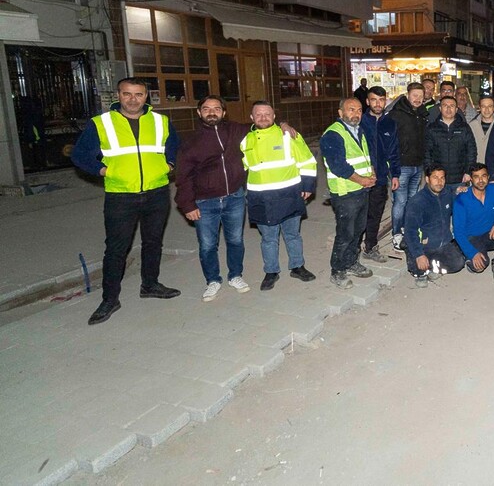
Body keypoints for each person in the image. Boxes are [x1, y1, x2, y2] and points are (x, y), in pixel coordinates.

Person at [72, 77, 181, 325]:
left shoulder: (160, 121)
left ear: (146, 97)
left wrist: (169, 164)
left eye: (139, 94)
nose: (133, 99)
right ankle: (110, 299)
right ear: (118, 96)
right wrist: (103, 171)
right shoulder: (101, 123)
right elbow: (79, 155)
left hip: (156, 192)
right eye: (127, 94)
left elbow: (174, 145)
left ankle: (150, 284)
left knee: (153, 242)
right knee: (116, 249)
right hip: (120, 195)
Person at [175, 95, 253, 302]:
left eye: (217, 108)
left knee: (236, 240)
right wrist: (187, 204)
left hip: (234, 198)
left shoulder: (235, 130)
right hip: (205, 203)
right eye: (207, 108)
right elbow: (182, 177)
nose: (212, 112)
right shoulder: (191, 143)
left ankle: (235, 276)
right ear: (199, 113)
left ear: (224, 112)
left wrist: (282, 124)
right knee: (208, 245)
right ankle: (213, 280)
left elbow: (261, 123)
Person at [241, 101, 317, 291]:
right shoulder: (245, 140)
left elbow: (307, 160)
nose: (263, 117)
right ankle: (271, 272)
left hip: (289, 194)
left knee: (293, 235)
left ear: (274, 116)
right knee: (268, 239)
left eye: (267, 114)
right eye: (258, 114)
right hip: (261, 198)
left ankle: (297, 267)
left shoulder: (288, 135)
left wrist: (308, 186)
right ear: (252, 118)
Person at [454, 163, 494, 281]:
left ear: (488, 177)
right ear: (471, 179)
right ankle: (468, 257)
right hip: (472, 237)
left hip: (491, 233)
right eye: (476, 177)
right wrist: (472, 253)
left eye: (483, 176)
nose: (480, 180)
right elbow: (458, 232)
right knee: (479, 266)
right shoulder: (462, 199)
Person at [404, 165, 465, 287]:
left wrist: (460, 191)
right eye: (435, 178)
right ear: (427, 179)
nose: (439, 182)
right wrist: (418, 254)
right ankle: (418, 266)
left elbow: (458, 196)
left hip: (443, 244)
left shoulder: (447, 193)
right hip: (423, 246)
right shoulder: (417, 202)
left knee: (458, 264)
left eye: (442, 178)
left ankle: (431, 267)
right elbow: (410, 231)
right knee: (418, 267)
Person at [359, 86, 401, 264]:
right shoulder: (359, 121)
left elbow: (394, 151)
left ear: (386, 101)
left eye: (381, 100)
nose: (378, 103)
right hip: (359, 178)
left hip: (381, 178)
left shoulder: (390, 124)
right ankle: (353, 251)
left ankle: (370, 247)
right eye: (374, 100)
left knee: (375, 214)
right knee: (358, 215)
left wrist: (395, 175)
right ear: (367, 101)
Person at [388, 82, 429, 251]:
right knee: (400, 201)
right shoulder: (396, 114)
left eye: (421, 96)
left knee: (412, 201)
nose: (418, 99)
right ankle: (396, 233)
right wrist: (394, 170)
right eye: (415, 95)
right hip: (402, 166)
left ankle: (407, 229)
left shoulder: (422, 114)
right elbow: (389, 142)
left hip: (417, 166)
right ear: (407, 95)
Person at [424, 95, 476, 196]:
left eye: (452, 106)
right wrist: (429, 173)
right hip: (439, 179)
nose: (448, 109)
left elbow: (471, 151)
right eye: (445, 106)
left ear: (456, 109)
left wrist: (468, 172)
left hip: (460, 178)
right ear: (440, 108)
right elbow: (427, 153)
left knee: (459, 208)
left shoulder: (464, 128)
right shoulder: (432, 128)